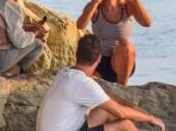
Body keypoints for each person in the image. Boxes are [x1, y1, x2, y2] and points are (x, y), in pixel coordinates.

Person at [37, 34, 165, 131]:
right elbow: (121, 112)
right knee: (125, 125)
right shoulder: (82, 83)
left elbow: (104, 97)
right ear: (99, 59)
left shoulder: (66, 73)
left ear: (77, 54)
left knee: (105, 110)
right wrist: (150, 118)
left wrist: (134, 108)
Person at [76, 0, 152, 85]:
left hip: (121, 61)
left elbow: (147, 23)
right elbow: (80, 25)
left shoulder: (127, 6)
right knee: (81, 82)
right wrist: (96, 1)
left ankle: (123, 88)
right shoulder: (94, 7)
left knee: (125, 43)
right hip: (99, 62)